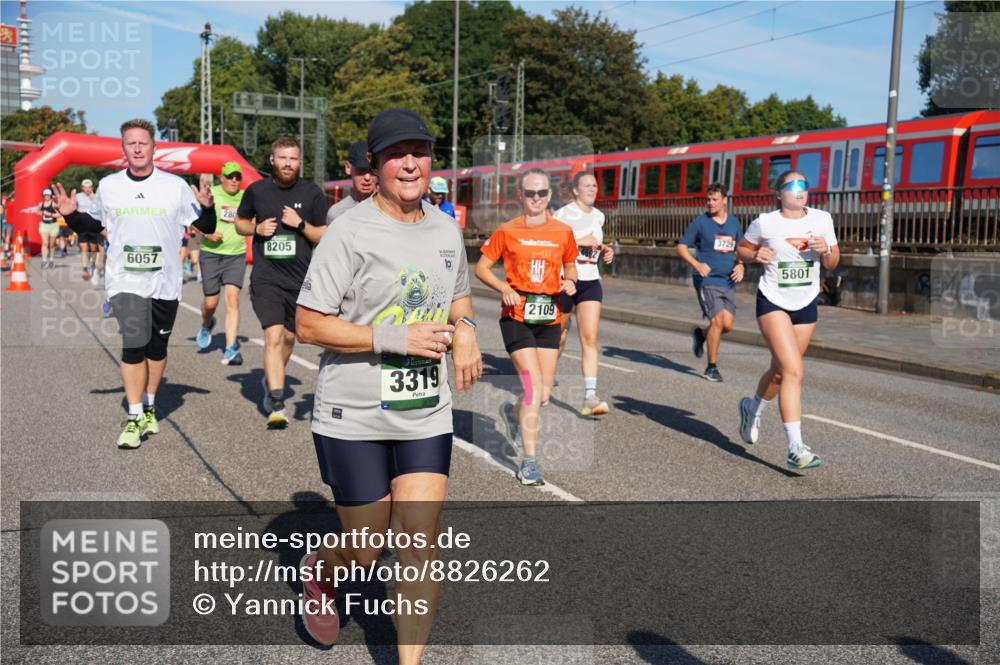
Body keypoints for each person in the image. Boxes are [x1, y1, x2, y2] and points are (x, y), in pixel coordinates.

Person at [295, 108, 482, 661]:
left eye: (419, 151)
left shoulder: (446, 227)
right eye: (396, 153)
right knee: (367, 544)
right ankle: (322, 571)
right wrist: (393, 338)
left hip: (425, 408)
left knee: (420, 541)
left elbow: (459, 297)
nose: (410, 163)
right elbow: (307, 324)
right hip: (353, 412)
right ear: (374, 165)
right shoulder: (348, 232)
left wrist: (467, 329)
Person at [53, 118, 217, 449]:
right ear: (123, 148)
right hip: (125, 280)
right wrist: (71, 215)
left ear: (154, 148)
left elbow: (206, 225)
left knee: (156, 349)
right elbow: (93, 223)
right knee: (133, 343)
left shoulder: (175, 186)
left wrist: (209, 207)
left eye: (143, 142)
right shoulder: (110, 186)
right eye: (131, 143)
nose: (138, 147)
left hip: (165, 282)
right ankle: (133, 415)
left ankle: (151, 404)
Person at [475, 168, 578, 486]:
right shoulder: (508, 230)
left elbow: (571, 263)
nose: (536, 199)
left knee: (542, 394)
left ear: (550, 195)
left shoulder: (562, 231)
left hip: (549, 317)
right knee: (533, 388)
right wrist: (502, 288)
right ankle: (530, 462)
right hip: (516, 316)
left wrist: (571, 280)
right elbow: (481, 268)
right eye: (530, 193)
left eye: (542, 193)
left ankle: (514, 413)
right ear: (520, 196)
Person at [736, 171, 840, 470]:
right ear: (779, 193)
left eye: (804, 186)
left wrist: (827, 250)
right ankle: (796, 447)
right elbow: (742, 249)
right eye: (794, 186)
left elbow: (833, 262)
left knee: (781, 373)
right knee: (794, 369)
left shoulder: (822, 219)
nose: (801, 191)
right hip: (772, 302)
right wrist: (755, 255)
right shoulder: (766, 222)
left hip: (806, 303)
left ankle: (751, 407)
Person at [235, 137, 327, 429]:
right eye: (283, 158)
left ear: (300, 162)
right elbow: (239, 223)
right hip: (267, 278)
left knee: (289, 338)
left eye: (293, 159)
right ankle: (276, 402)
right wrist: (256, 228)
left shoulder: (312, 193)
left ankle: (269, 377)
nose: (288, 163)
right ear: (272, 160)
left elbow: (323, 236)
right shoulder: (257, 191)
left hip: (300, 280)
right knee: (273, 336)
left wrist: (300, 224)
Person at [554, 171, 614, 416]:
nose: (592, 189)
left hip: (590, 280)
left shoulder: (599, 216)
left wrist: (606, 250)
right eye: (587, 186)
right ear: (576, 190)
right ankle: (545, 375)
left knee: (590, 338)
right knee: (559, 336)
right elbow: (554, 243)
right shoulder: (564, 214)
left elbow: (594, 245)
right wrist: (579, 240)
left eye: (595, 185)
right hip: (565, 280)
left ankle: (590, 395)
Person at [677, 182, 745, 382]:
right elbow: (681, 247)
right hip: (706, 280)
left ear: (725, 200)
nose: (710, 203)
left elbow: (741, 249)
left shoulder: (734, 223)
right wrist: (697, 264)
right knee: (717, 321)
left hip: (727, 281)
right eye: (708, 199)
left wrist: (741, 265)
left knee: (728, 325)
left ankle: (701, 335)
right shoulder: (700, 222)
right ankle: (712, 367)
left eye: (714, 199)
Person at [196, 163, 247, 365]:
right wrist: (207, 232)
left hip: (236, 255)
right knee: (211, 303)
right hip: (210, 254)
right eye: (229, 176)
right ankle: (207, 324)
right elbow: (192, 221)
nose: (234, 180)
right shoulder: (211, 194)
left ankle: (230, 348)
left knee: (233, 300)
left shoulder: (245, 196)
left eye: (237, 177)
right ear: (222, 178)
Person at [325, 140, 376, 223]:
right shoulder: (336, 214)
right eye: (361, 170)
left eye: (372, 171)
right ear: (348, 168)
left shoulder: (394, 209)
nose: (367, 177)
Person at [76, 179, 105, 283]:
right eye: (85, 187)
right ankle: (85, 268)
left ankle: (93, 264)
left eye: (89, 187)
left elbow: (101, 209)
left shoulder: (97, 196)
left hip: (93, 226)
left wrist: (93, 198)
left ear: (92, 188)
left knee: (93, 249)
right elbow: (75, 209)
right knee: (84, 248)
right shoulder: (78, 196)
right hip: (82, 226)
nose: (87, 189)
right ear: (82, 188)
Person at [36, 188, 60, 269]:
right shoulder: (40, 204)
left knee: (52, 245)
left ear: (50, 196)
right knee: (45, 243)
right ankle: (44, 260)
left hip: (53, 225)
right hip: (44, 225)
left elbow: (59, 215)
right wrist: (41, 212)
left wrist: (50, 214)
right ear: (43, 196)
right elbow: (37, 212)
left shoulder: (54, 204)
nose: (47, 197)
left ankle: (51, 259)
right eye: (45, 195)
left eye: (48, 195)